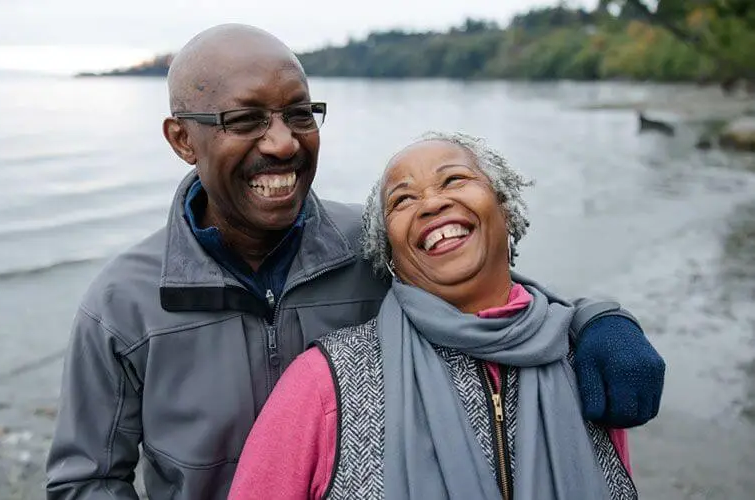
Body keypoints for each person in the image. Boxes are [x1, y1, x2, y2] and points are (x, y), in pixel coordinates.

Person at [45, 24, 665, 500]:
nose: (283, 142)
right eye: (245, 120)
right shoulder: (123, 305)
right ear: (183, 139)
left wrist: (594, 321)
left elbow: (480, 284)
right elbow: (86, 480)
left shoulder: (368, 245)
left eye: (298, 113)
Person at [228, 132, 651, 500]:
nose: (431, 203)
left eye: (454, 179)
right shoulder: (323, 384)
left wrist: (602, 317)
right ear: (389, 253)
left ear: (505, 208)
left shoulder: (590, 359)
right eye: (403, 200)